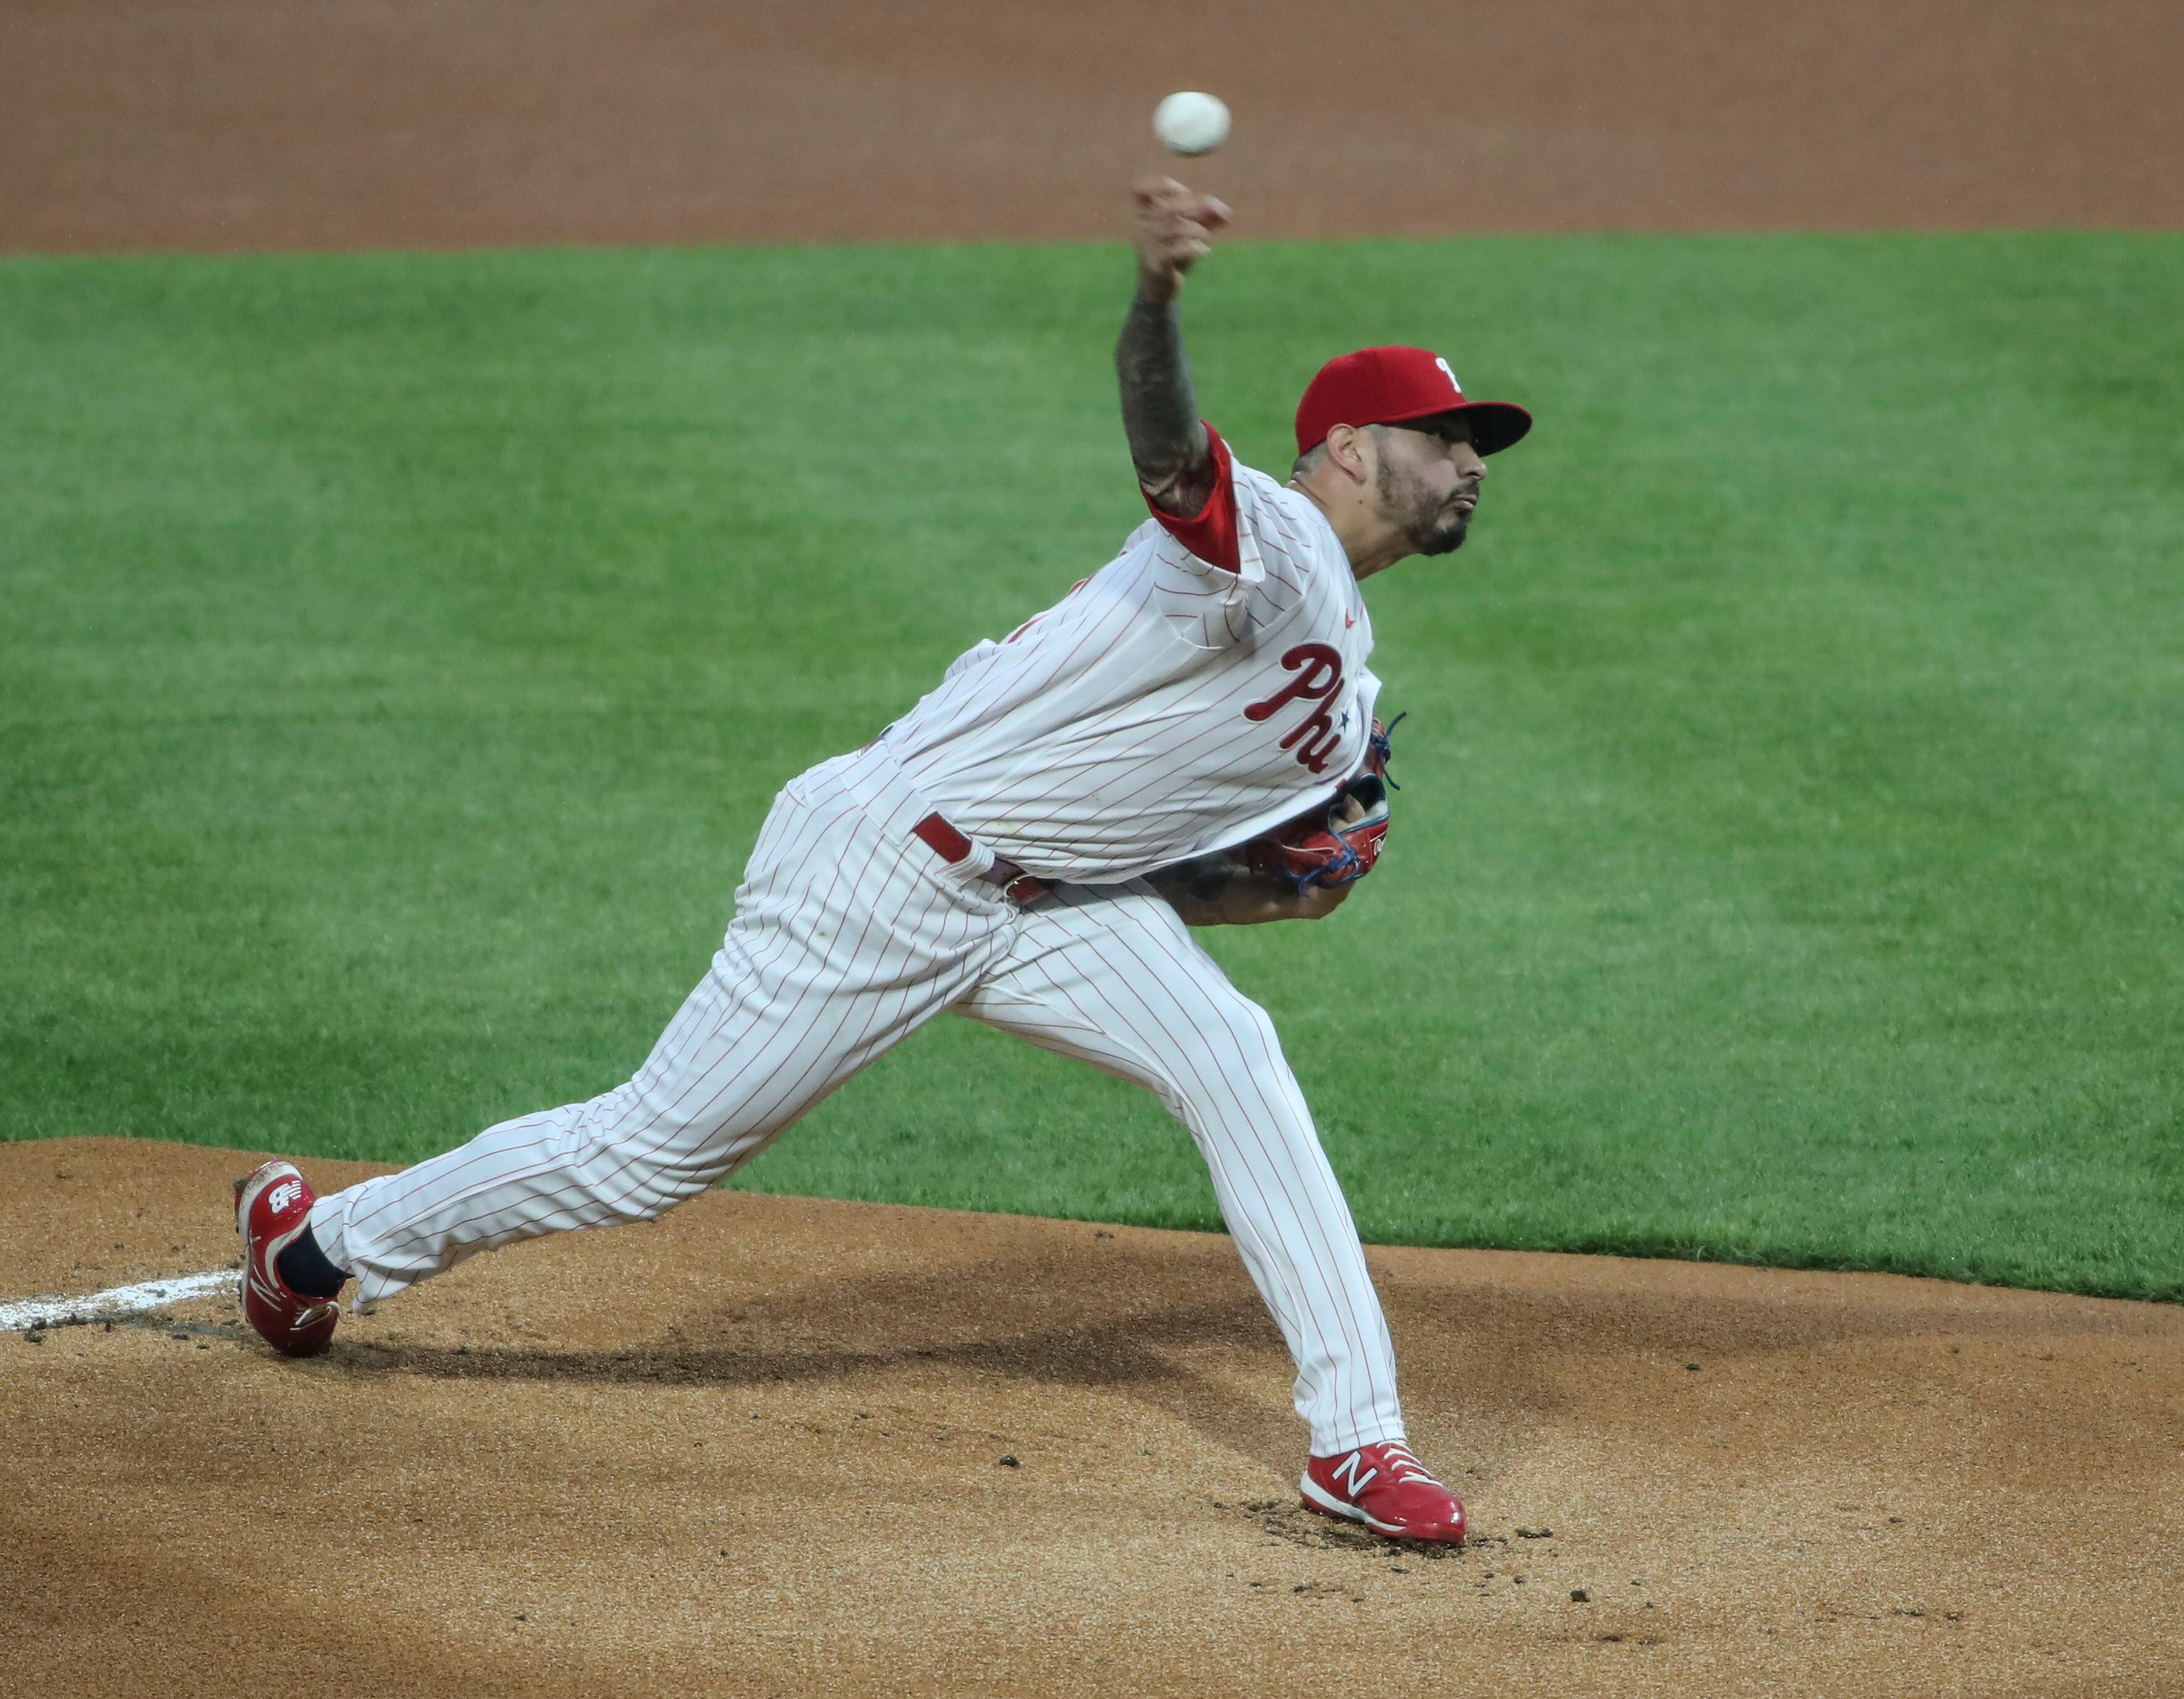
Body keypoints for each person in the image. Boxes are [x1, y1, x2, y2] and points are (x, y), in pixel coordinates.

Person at [233, 178, 1531, 1545]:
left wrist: (1293, 885)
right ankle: (313, 1245)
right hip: (882, 870)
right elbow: (1167, 452)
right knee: (650, 1157)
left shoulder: (1340, 708)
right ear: (1342, 445)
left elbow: (1195, 879)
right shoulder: (1266, 539)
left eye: (1473, 442)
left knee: (1233, 1057)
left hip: (1047, 902)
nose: (1471, 459)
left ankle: (1356, 1443)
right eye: (1442, 434)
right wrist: (1153, 298)